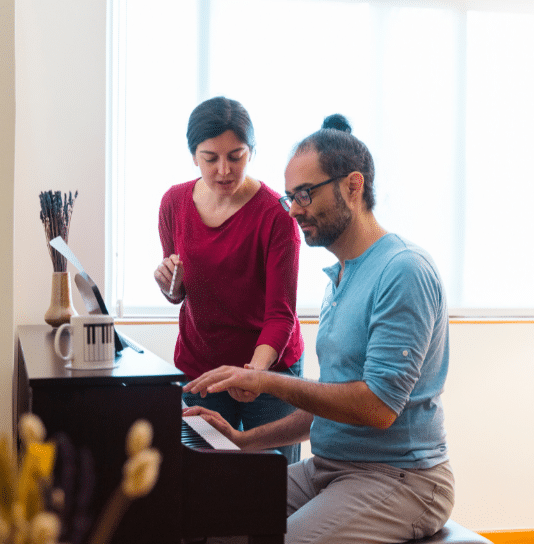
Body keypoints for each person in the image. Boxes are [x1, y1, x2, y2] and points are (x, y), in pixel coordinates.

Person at [183, 114, 454, 544]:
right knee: (201, 514)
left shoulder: (402, 270)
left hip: (403, 480)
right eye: (290, 196)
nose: (293, 209)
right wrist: (242, 440)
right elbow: (333, 402)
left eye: (305, 194)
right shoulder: (339, 278)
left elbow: (377, 408)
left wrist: (265, 381)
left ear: (353, 186)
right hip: (331, 468)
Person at [154, 96, 305, 465]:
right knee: (205, 485)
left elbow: (281, 316)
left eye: (235, 156)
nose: (223, 170)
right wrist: (170, 284)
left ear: (251, 152)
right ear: (193, 156)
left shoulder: (277, 216)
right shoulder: (174, 203)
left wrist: (254, 374)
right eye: (210, 158)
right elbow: (183, 294)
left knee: (272, 487)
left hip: (267, 372)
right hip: (201, 369)